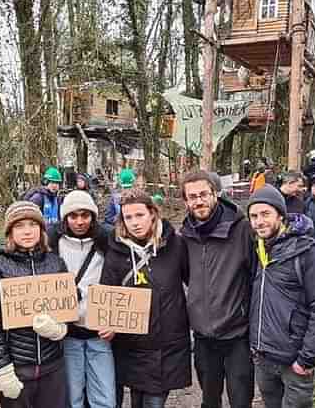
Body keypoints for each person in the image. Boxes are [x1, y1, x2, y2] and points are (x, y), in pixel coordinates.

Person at [101, 189, 191, 408]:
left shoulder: (176, 245)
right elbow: (107, 296)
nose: (134, 222)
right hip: (132, 347)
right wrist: (108, 325)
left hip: (167, 344)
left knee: (154, 401)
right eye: (128, 217)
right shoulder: (115, 252)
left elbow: (195, 283)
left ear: (152, 213)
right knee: (137, 400)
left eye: (139, 215)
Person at [248, 184, 315, 408]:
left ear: (281, 215)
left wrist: (307, 359)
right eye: (254, 216)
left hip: (294, 363)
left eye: (266, 214)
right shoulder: (258, 250)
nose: (259, 221)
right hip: (263, 357)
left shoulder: (310, 253)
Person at [0, 201, 69, 408]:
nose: (27, 231)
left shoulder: (56, 263)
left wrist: (59, 329)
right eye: (19, 226)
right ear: (10, 232)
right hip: (17, 369)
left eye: (32, 225)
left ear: (41, 229)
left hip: (52, 366)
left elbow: (67, 307)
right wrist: (2, 368)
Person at [180, 171, 255, 408]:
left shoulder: (241, 229)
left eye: (203, 194)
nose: (199, 201)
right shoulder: (186, 235)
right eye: (192, 197)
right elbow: (186, 276)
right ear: (186, 201)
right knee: (209, 400)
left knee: (240, 400)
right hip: (203, 338)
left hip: (237, 335)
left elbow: (256, 275)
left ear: (216, 194)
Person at [47, 191, 115, 408]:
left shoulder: (107, 240)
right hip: (68, 333)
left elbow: (118, 280)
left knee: (105, 397)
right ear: (65, 217)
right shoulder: (53, 242)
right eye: (73, 216)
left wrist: (114, 319)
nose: (79, 221)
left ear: (92, 216)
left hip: (99, 332)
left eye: (84, 215)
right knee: (72, 396)